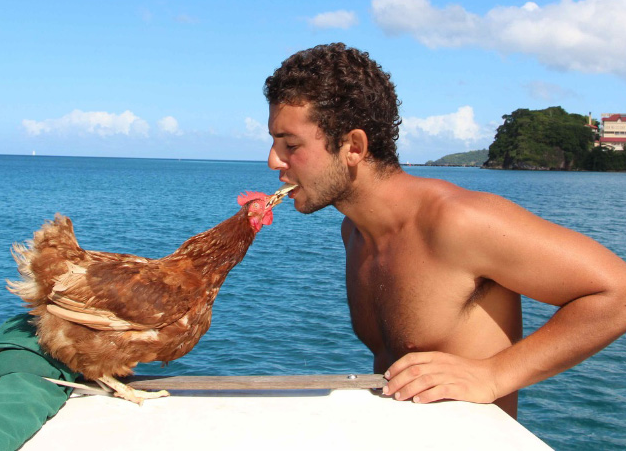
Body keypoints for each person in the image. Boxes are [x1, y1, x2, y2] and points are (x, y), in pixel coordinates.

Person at [263, 42, 626, 418]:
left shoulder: (456, 221)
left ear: (353, 147)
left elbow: (618, 292)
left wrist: (494, 375)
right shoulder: (353, 232)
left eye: (290, 144)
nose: (273, 160)